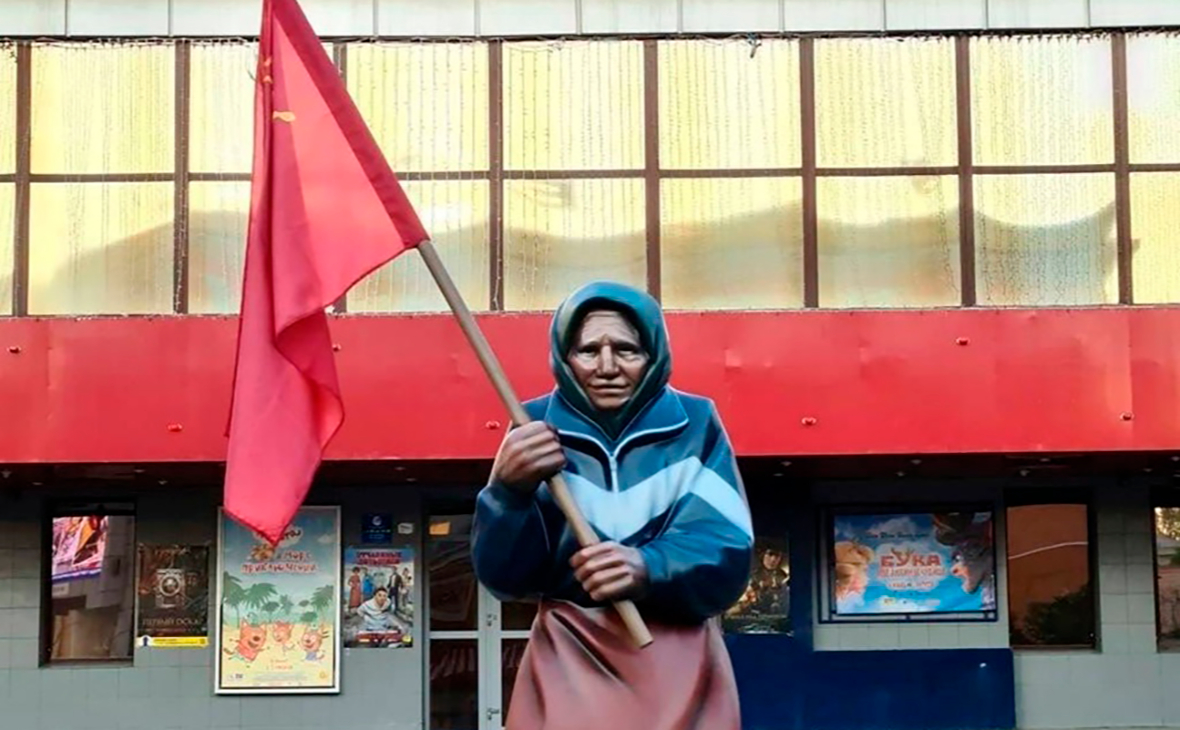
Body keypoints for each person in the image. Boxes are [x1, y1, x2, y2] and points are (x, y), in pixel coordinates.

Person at [472, 281, 753, 730]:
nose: (607, 367)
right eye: (588, 350)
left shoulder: (695, 425)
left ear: (654, 353)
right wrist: (508, 496)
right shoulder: (532, 427)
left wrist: (650, 566)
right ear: (564, 357)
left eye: (626, 350)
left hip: (676, 653)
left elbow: (727, 549)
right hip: (570, 649)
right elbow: (503, 577)